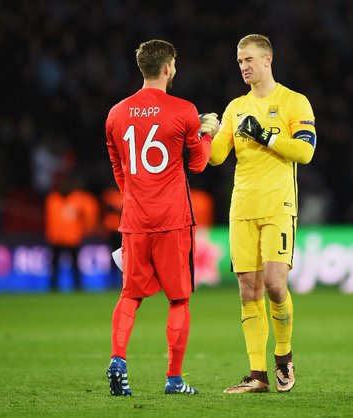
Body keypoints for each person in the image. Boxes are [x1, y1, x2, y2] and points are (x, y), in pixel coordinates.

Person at [104, 39, 219, 396]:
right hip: (173, 219)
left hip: (135, 220)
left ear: (143, 68)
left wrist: (136, 197)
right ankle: (174, 379)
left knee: (130, 295)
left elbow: (118, 168)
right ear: (168, 68)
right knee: (179, 299)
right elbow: (198, 163)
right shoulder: (184, 110)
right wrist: (206, 133)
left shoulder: (116, 113)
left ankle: (118, 360)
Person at [209, 34, 317, 393]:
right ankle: (257, 376)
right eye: (240, 62)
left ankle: (283, 356)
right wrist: (199, 135)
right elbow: (215, 156)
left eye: (250, 60)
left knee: (274, 284)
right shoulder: (234, 107)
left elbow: (305, 153)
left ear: (268, 59)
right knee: (247, 290)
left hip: (278, 206)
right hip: (242, 207)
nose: (244, 67)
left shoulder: (293, 102)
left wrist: (266, 137)